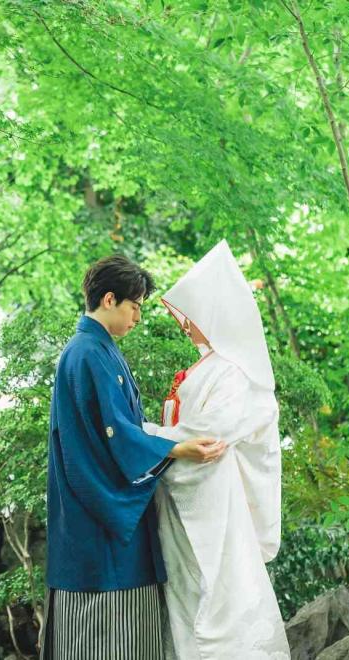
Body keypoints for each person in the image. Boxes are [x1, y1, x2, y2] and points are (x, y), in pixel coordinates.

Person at [43, 254, 227, 660]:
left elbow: (122, 429)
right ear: (110, 300)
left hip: (98, 511)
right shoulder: (88, 353)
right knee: (107, 636)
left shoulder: (95, 350)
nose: (138, 317)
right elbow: (117, 433)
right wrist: (175, 448)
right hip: (100, 519)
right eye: (135, 306)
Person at [141, 241, 290, 659]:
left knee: (218, 594)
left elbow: (210, 434)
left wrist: (146, 436)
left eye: (192, 318)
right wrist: (157, 438)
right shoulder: (212, 366)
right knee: (190, 595)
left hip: (212, 498)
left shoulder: (235, 372)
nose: (185, 327)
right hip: (187, 493)